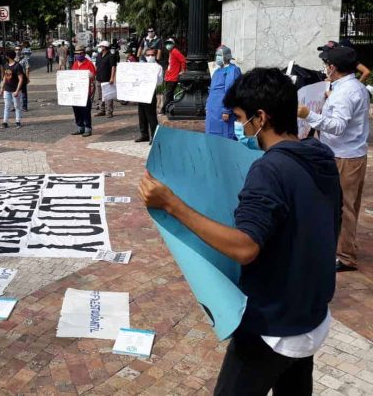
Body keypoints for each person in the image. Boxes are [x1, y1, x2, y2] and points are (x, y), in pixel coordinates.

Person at [140, 68, 340, 396]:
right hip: (311, 314)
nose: (238, 126)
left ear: (260, 118)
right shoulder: (320, 156)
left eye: (240, 117)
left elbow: (245, 247)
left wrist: (172, 205)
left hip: (272, 325)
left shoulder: (270, 169)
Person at [298, 44, 369, 273]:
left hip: (345, 156)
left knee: (345, 207)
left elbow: (337, 126)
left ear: (333, 67)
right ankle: (337, 247)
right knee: (340, 204)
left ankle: (346, 256)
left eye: (326, 64)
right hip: (347, 153)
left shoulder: (347, 93)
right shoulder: (350, 87)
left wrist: (308, 115)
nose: (325, 68)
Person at [206, 45, 242, 140]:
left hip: (223, 111)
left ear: (226, 56)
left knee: (225, 136)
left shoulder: (232, 70)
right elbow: (212, 90)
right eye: (217, 55)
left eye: (220, 55)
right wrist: (207, 106)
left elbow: (230, 90)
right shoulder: (217, 71)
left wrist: (227, 110)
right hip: (212, 111)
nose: (217, 57)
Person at [135, 47, 163, 144]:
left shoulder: (158, 67)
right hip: (141, 92)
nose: (150, 57)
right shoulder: (142, 66)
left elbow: (159, 82)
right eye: (148, 55)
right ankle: (144, 134)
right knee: (141, 115)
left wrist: (152, 76)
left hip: (150, 93)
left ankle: (154, 136)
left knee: (151, 115)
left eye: (152, 55)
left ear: (155, 55)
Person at [71, 46, 96, 138]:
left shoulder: (89, 64)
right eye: (76, 54)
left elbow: (93, 77)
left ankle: (88, 128)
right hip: (75, 92)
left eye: (79, 54)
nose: (77, 55)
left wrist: (90, 75)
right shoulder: (75, 64)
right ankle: (80, 127)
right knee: (76, 110)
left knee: (85, 111)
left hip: (85, 92)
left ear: (83, 54)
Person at [0, 50, 24, 129]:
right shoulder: (6, 65)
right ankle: (5, 122)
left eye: (6, 56)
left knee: (17, 106)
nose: (5, 57)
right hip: (7, 89)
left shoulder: (17, 66)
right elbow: (5, 77)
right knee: (7, 106)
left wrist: (17, 90)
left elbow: (21, 79)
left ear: (8, 56)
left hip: (15, 89)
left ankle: (18, 121)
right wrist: (2, 87)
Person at [162, 38, 187, 114]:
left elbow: (183, 60)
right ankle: (171, 109)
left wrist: (182, 71)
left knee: (168, 95)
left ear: (173, 44)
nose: (168, 45)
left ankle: (164, 110)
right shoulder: (171, 52)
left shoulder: (175, 51)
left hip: (173, 78)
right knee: (170, 95)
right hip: (169, 77)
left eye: (170, 43)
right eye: (167, 43)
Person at [94, 41, 116, 118]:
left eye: (101, 46)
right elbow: (96, 66)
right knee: (99, 96)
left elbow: (113, 67)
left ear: (105, 47)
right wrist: (94, 75)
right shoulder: (99, 55)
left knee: (108, 96)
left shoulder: (111, 56)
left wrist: (112, 77)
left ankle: (109, 112)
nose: (100, 48)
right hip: (99, 78)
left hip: (107, 79)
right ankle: (101, 110)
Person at [20, 47, 31, 112]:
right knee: (14, 92)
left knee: (24, 93)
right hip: (15, 78)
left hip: (23, 78)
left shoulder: (25, 59)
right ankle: (15, 106)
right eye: (16, 49)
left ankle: (24, 106)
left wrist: (27, 78)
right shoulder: (14, 59)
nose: (17, 51)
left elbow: (27, 69)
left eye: (19, 50)